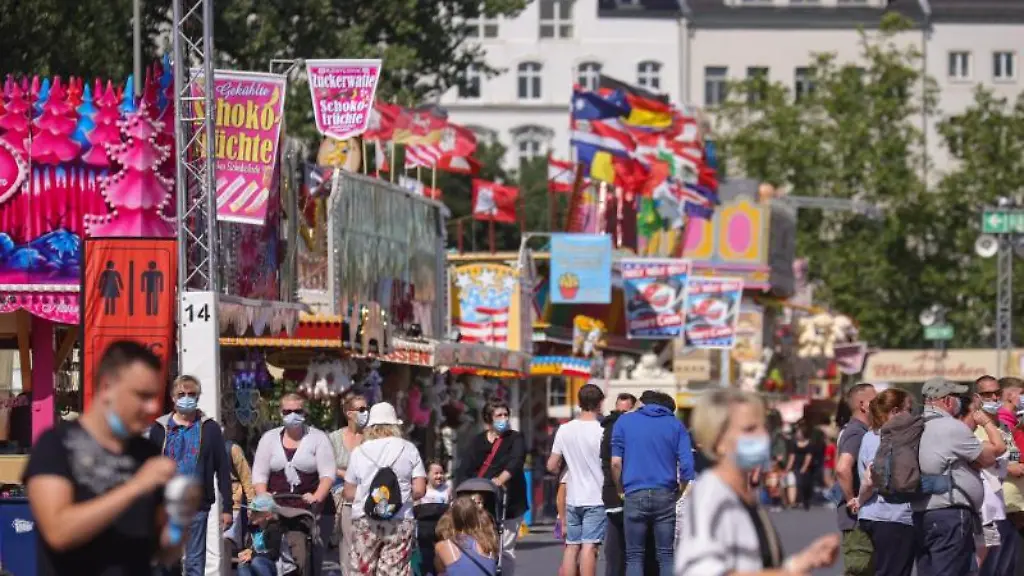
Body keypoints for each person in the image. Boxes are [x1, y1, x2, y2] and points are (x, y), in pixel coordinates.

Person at [23, 340, 185, 575]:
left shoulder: (146, 453)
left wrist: (181, 518)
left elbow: (164, 551)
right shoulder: (56, 444)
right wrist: (135, 487)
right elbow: (58, 532)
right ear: (107, 387)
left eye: (155, 397)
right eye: (142, 395)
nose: (151, 407)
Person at [675, 389, 841, 575]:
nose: (762, 435)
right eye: (749, 429)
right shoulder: (710, 496)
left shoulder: (742, 495)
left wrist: (806, 560)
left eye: (763, 427)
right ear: (718, 440)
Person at [914, 378, 1004, 576]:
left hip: (922, 512)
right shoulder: (951, 427)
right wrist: (987, 422)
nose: (959, 403)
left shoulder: (916, 425)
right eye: (956, 398)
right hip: (950, 513)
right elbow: (991, 455)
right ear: (946, 401)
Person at [148, 375, 234, 576]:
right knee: (168, 561)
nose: (186, 398)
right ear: (172, 397)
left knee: (195, 561)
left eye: (191, 394)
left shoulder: (210, 429)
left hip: (197, 505)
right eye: (181, 394)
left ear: (198, 397)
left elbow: (222, 469)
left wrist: (227, 507)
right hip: (166, 505)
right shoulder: (160, 428)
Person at [611, 390, 695, 576]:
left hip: (633, 492)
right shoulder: (676, 425)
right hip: (665, 493)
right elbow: (688, 467)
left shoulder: (624, 422)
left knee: (634, 555)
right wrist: (679, 492)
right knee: (666, 555)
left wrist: (620, 489)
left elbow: (616, 462)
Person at [252, 393, 336, 575]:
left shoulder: (318, 438)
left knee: (312, 556)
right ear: (281, 413)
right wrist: (263, 495)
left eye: (297, 411)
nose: (292, 415)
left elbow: (328, 474)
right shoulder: (269, 438)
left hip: (312, 509)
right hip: (278, 506)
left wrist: (317, 497)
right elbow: (259, 473)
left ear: (304, 412)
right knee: (273, 551)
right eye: (288, 411)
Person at [343, 402, 427, 575]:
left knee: (362, 570)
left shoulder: (359, 452)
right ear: (395, 425)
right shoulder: (409, 449)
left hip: (364, 519)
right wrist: (399, 496)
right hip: (400, 519)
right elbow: (420, 489)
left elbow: (348, 492)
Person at [458, 399, 528, 576]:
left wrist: (500, 480)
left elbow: (516, 462)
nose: (503, 418)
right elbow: (465, 469)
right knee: (480, 544)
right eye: (499, 415)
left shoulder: (515, 438)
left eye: (505, 414)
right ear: (488, 420)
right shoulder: (477, 442)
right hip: (481, 503)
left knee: (506, 548)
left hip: (509, 501)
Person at [854, 388, 915, 576]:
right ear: (895, 412)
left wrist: (861, 500)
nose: (912, 416)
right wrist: (861, 498)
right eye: (909, 410)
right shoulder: (900, 439)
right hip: (894, 517)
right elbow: (873, 478)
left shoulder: (868, 436)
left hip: (870, 516)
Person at [547, 384, 607, 576]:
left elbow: (551, 464)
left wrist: (564, 465)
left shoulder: (564, 429)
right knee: (590, 547)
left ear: (579, 403)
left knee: (572, 546)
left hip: (573, 497)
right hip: (596, 497)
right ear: (599, 403)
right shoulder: (603, 430)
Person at [834, 382, 876, 576]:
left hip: (862, 516)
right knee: (859, 568)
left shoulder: (862, 431)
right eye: (875, 400)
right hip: (856, 519)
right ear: (863, 405)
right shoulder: (856, 432)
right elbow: (842, 468)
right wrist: (853, 499)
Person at [330, 392, 368, 569]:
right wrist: (346, 475)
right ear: (349, 413)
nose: (365, 412)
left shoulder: (370, 438)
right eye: (361, 409)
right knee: (347, 540)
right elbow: (327, 465)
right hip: (341, 490)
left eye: (366, 409)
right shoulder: (334, 438)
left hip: (366, 490)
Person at [434, 495, 499, 576]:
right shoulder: (489, 540)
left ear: (452, 517)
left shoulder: (443, 546)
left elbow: (440, 571)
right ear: (476, 516)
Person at [236, 493, 285, 576]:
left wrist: (253, 555)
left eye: (256, 512)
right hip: (257, 562)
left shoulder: (274, 529)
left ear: (268, 515)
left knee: (257, 562)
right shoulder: (253, 530)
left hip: (275, 566)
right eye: (251, 511)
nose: (251, 515)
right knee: (242, 565)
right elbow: (251, 549)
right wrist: (245, 553)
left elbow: (274, 554)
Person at [788, 425, 814, 510]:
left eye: (799, 433)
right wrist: (788, 468)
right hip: (796, 465)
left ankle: (806, 499)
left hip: (806, 467)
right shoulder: (793, 443)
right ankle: (797, 500)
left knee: (806, 484)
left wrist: (804, 467)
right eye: (797, 433)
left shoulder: (809, 443)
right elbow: (792, 456)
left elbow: (809, 456)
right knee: (797, 483)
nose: (797, 434)